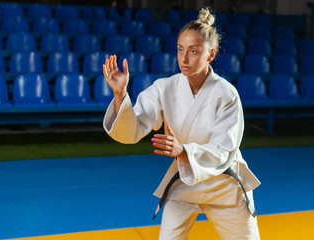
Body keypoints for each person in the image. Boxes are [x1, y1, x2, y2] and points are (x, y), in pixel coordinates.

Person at [102, 7, 261, 240]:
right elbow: (131, 131)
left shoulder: (226, 94)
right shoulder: (164, 88)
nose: (184, 58)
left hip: (224, 186)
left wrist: (183, 151)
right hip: (184, 184)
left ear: (211, 54)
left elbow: (224, 150)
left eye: (193, 51)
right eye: (180, 50)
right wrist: (119, 95)